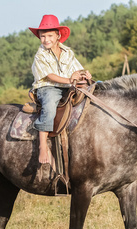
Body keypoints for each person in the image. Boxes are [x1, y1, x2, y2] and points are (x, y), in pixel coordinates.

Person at [29, 14, 92, 164]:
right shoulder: (40, 55)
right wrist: (70, 80)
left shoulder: (67, 52)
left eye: (50, 35)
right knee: (50, 106)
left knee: (93, 91)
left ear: (58, 35)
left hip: (67, 86)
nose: (46, 39)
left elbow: (77, 68)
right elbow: (50, 76)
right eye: (42, 36)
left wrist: (84, 75)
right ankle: (43, 146)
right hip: (48, 87)